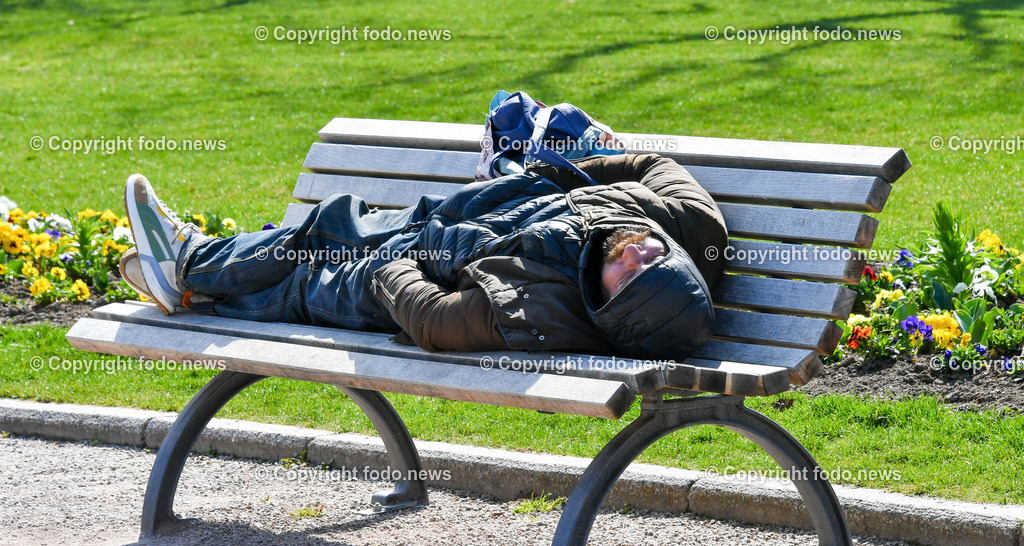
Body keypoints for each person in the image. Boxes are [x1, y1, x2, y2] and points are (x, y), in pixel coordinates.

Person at [122, 153, 728, 361]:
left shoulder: (541, 315)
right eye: (655, 256)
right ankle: (191, 275)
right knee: (332, 221)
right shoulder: (686, 225)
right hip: (451, 220)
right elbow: (652, 165)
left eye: (633, 274)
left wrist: (395, 265)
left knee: (310, 283)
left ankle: (190, 264)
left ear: (612, 308)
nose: (640, 252)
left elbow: (434, 320)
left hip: (400, 285)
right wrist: (559, 173)